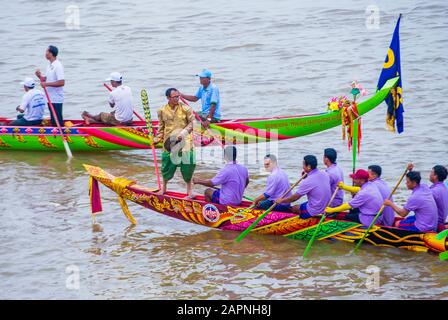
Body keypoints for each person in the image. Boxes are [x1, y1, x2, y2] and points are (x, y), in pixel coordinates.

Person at [153, 88, 195, 196]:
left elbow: (192, 124)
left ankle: (189, 191)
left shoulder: (186, 109)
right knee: (166, 167)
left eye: (178, 96)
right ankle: (164, 188)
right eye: (174, 97)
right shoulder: (161, 110)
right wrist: (157, 138)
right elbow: (161, 128)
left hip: (185, 142)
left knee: (188, 167)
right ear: (168, 98)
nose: (177, 98)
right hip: (169, 144)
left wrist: (184, 133)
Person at [35, 45, 65, 127]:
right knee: (53, 119)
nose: (45, 53)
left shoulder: (58, 66)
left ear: (51, 53)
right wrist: (40, 76)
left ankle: (62, 136)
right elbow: (47, 80)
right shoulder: (49, 65)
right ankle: (55, 135)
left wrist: (46, 84)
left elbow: (61, 82)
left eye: (47, 52)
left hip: (56, 98)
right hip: (50, 97)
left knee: (57, 120)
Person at [429, 165, 448, 232]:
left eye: (431, 173)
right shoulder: (445, 188)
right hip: (442, 221)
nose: (429, 174)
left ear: (435, 176)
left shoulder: (434, 191)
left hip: (435, 225)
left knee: (398, 224)